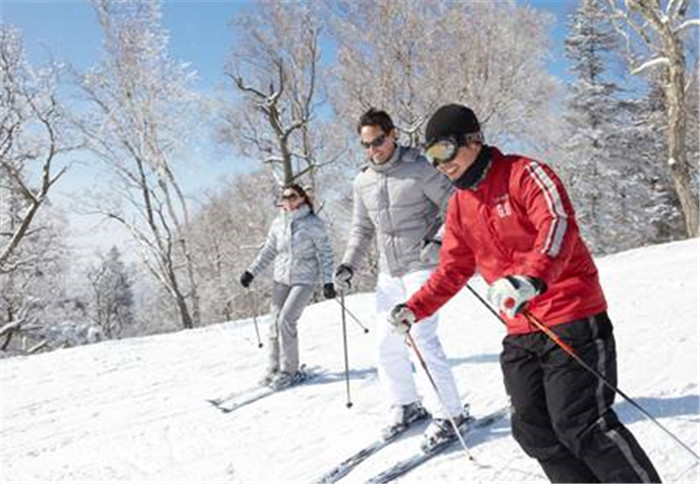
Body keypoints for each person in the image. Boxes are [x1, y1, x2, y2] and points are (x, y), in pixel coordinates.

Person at [389, 104, 661, 482]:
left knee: (580, 423)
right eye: (430, 155)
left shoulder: (525, 173)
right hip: (521, 328)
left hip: (570, 314)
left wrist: (532, 278)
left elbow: (557, 224)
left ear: (473, 140)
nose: (439, 164)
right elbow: (453, 269)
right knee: (533, 430)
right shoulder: (460, 206)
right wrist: (414, 308)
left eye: (444, 150)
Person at [334, 108, 467, 448]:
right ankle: (406, 404)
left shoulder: (420, 168)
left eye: (378, 141)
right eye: (366, 144)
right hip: (389, 273)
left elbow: (455, 204)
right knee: (385, 343)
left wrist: (439, 240)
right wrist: (348, 264)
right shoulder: (363, 181)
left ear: (393, 134)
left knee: (420, 337)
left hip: (422, 264)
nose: (373, 150)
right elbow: (361, 229)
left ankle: (450, 414)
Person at [240, 183, 336, 390]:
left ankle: (290, 371)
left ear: (302, 198)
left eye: (293, 196)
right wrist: (251, 272)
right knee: (274, 322)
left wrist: (328, 281)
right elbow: (269, 250)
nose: (288, 200)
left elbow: (326, 253)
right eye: (285, 197)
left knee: (286, 320)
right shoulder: (278, 223)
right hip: (281, 278)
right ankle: (274, 368)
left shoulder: (313, 223)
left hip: (304, 279)